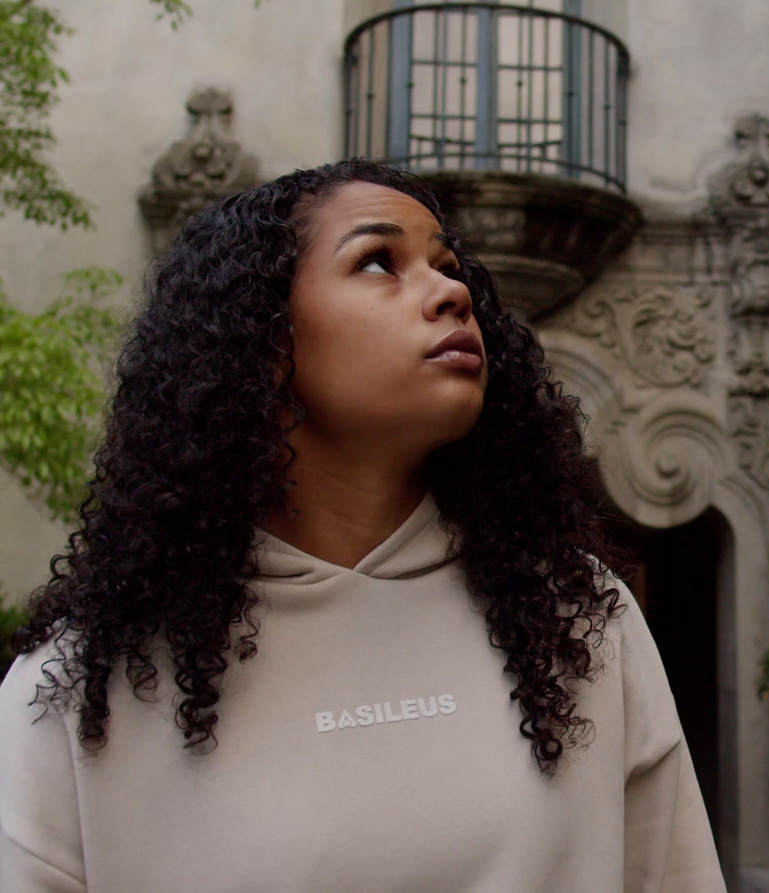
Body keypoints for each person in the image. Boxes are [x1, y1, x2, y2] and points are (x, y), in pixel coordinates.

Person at [0, 160, 725, 893]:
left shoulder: (579, 619)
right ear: (262, 339)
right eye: (379, 261)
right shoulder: (82, 687)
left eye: (449, 266)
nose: (452, 291)